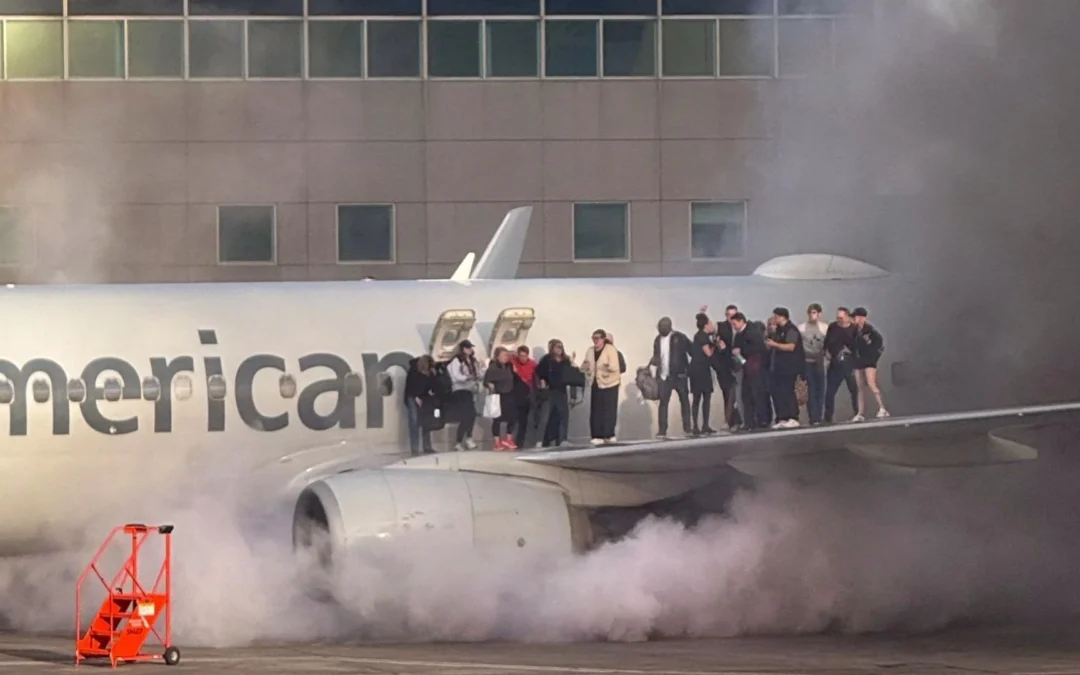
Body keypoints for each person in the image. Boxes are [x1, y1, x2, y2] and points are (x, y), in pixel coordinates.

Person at [650, 317, 692, 438]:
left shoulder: (679, 337)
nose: (660, 329)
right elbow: (656, 355)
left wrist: (687, 370)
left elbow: (692, 350)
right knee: (663, 403)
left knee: (684, 401)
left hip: (679, 375)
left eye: (662, 327)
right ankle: (662, 430)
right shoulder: (657, 340)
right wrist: (655, 363)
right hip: (664, 376)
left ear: (669, 326)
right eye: (659, 327)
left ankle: (687, 427)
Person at [581, 329, 621, 445]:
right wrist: (582, 367)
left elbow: (615, 367)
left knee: (609, 409)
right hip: (596, 382)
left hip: (610, 383)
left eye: (597, 338)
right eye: (593, 338)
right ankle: (596, 434)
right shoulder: (590, 350)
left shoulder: (611, 350)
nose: (595, 341)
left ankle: (609, 434)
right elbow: (586, 364)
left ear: (603, 339)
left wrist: (604, 367)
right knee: (596, 410)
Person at [765, 307, 803, 429]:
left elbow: (791, 346)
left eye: (776, 316)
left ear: (782, 317)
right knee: (778, 392)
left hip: (789, 366)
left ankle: (793, 417)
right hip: (778, 367)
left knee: (788, 391)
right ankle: (782, 417)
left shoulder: (791, 329)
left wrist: (774, 344)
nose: (774, 319)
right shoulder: (778, 330)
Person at [535, 339, 576, 447]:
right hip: (549, 391)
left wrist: (573, 395)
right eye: (556, 346)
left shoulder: (566, 361)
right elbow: (539, 373)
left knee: (563, 417)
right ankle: (539, 440)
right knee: (544, 417)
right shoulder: (546, 359)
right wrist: (543, 383)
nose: (559, 349)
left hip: (561, 391)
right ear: (552, 348)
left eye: (560, 346)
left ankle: (563, 439)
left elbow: (572, 378)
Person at [732, 313, 769, 430]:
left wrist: (741, 350)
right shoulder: (738, 335)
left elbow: (759, 348)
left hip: (756, 368)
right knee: (746, 395)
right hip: (746, 368)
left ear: (741, 321)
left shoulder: (752, 332)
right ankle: (749, 422)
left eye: (735, 323)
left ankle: (762, 420)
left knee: (757, 394)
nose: (734, 326)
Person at [851, 307, 890, 421]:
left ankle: (882, 408)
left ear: (863, 318)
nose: (856, 319)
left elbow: (879, 345)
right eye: (855, 317)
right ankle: (860, 412)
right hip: (858, 361)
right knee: (860, 387)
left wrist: (873, 357)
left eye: (858, 317)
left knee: (871, 383)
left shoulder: (871, 331)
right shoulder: (853, 331)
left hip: (869, 360)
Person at [823, 307, 859, 424]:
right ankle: (828, 417)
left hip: (850, 364)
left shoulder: (854, 329)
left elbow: (859, 346)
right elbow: (826, 343)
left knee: (854, 390)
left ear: (848, 317)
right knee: (829, 392)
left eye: (841, 318)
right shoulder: (833, 327)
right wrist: (827, 353)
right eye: (838, 318)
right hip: (835, 364)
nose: (839, 320)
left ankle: (858, 413)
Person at [447, 339, 483, 451]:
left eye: (471, 348)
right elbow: (456, 375)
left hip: (470, 390)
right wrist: (467, 378)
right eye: (468, 348)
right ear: (463, 349)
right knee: (467, 414)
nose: (471, 350)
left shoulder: (473, 361)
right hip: (460, 390)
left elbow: (478, 373)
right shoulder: (456, 361)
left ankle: (467, 438)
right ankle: (461, 440)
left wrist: (481, 374)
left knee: (471, 415)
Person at [798, 303, 829, 426]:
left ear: (819, 314)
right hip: (807, 361)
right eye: (810, 313)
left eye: (815, 312)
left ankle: (819, 415)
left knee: (820, 389)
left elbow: (828, 345)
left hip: (820, 361)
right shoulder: (802, 328)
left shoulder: (824, 328)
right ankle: (813, 417)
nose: (812, 315)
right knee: (810, 389)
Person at [483, 347, 518, 450]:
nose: (505, 357)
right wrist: (490, 385)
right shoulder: (493, 368)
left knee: (513, 417)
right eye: (503, 355)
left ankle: (508, 438)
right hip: (499, 395)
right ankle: (497, 441)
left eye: (506, 355)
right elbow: (486, 381)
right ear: (497, 356)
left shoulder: (509, 366)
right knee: (497, 418)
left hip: (510, 393)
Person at [689, 313, 717, 435]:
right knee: (703, 398)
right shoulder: (703, 337)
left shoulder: (698, 335)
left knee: (698, 398)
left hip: (697, 369)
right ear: (706, 325)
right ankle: (701, 425)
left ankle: (698, 425)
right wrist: (715, 345)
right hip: (701, 370)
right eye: (710, 323)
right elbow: (709, 353)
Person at [403, 355, 437, 455]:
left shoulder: (429, 373)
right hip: (412, 396)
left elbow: (431, 386)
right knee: (414, 422)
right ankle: (415, 449)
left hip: (424, 397)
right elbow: (410, 386)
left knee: (426, 421)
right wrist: (416, 397)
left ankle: (427, 446)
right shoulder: (413, 371)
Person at [511, 345, 537, 448]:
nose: (523, 358)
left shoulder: (533, 364)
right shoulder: (514, 361)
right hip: (515, 395)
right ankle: (510, 440)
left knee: (523, 421)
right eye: (521, 356)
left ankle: (519, 443)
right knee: (513, 419)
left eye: (524, 356)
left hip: (527, 395)